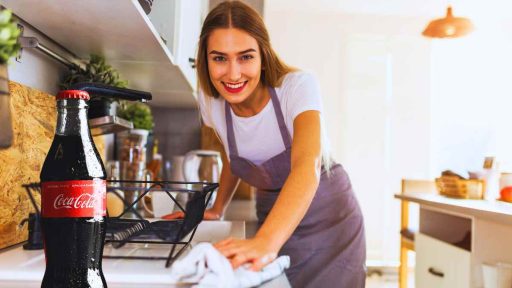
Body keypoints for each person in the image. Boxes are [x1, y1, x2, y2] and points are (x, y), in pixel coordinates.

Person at [164, 1, 366, 287]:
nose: (233, 74)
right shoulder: (211, 103)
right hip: (273, 214)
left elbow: (307, 165)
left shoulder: (296, 87)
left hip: (329, 217)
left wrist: (266, 241)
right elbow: (234, 158)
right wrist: (217, 207)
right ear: (205, 59)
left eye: (245, 57)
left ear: (263, 54)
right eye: (219, 58)